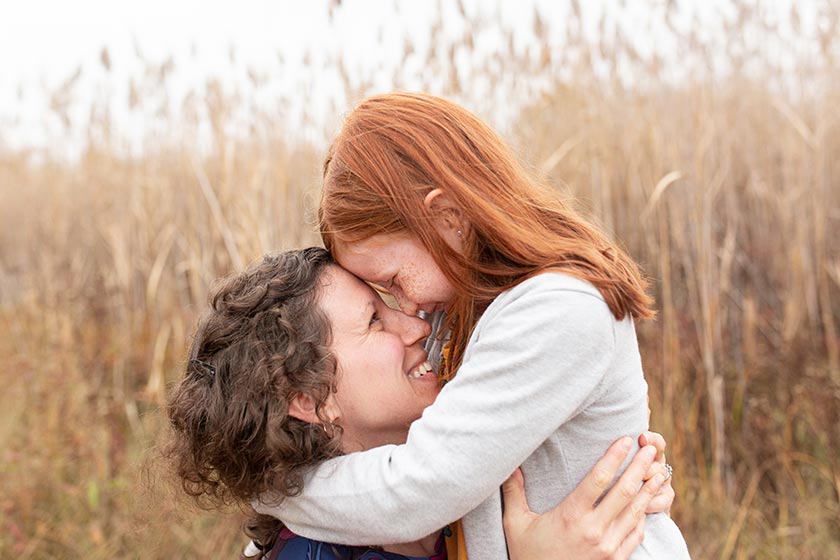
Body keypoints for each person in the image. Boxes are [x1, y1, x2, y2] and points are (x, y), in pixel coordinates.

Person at [253, 92, 690, 559]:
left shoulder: (558, 309)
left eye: (394, 280)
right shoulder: (462, 304)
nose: (408, 312)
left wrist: (275, 491)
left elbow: (420, 488)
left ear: (446, 218)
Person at [167, 248, 673, 560]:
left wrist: (628, 496)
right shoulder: (315, 554)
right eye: (374, 321)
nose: (416, 326)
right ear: (309, 398)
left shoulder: (458, 494)